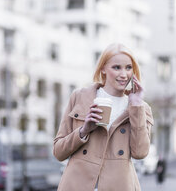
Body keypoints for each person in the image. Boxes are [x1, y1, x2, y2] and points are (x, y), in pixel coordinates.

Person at [53, 43, 154, 191]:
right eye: (116, 67)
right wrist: (84, 130)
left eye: (128, 67)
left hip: (119, 185)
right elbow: (58, 152)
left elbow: (140, 153)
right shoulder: (80, 97)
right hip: (76, 184)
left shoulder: (141, 108)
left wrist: (136, 106)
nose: (124, 74)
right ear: (103, 69)